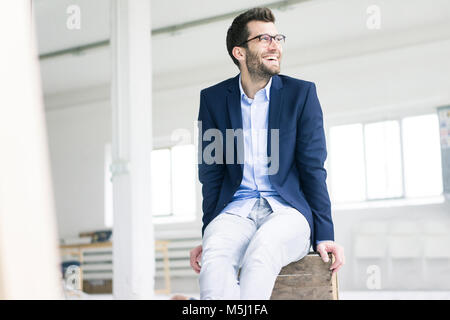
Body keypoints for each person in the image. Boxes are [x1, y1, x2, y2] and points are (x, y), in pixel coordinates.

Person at [191, 7, 345, 300]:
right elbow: (210, 173)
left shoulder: (302, 95)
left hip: (287, 212)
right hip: (235, 210)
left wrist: (325, 233)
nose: (276, 45)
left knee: (264, 250)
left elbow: (314, 168)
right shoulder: (212, 99)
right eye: (264, 38)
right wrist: (208, 232)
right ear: (239, 52)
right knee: (215, 259)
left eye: (278, 38)